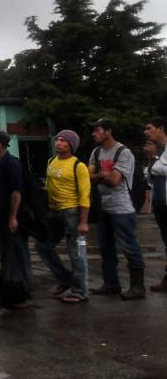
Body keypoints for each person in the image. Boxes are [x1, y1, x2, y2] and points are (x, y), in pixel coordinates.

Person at [87, 119, 145, 300]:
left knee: (129, 246)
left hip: (122, 208)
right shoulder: (96, 152)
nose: (93, 134)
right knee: (105, 248)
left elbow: (114, 180)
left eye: (97, 130)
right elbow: (89, 176)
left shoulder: (123, 152)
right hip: (104, 207)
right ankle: (111, 284)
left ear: (108, 131)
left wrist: (101, 176)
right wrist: (104, 174)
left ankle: (138, 287)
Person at [38, 129, 91, 304]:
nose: (58, 143)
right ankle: (64, 278)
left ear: (71, 145)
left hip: (72, 213)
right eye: (57, 140)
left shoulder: (79, 166)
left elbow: (85, 195)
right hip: (54, 213)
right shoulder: (51, 161)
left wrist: (83, 221)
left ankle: (80, 290)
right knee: (43, 246)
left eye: (63, 141)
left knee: (77, 253)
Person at [0, 130, 33, 304]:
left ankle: (26, 290)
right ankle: (9, 288)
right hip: (4, 214)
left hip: (16, 215)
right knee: (6, 252)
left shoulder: (12, 164)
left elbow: (16, 192)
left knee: (19, 252)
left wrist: (13, 218)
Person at [144, 117, 167, 292]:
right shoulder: (159, 150)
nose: (146, 132)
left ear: (160, 129)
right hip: (160, 204)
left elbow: (161, 169)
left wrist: (154, 159)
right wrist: (153, 161)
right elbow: (150, 176)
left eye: (149, 128)